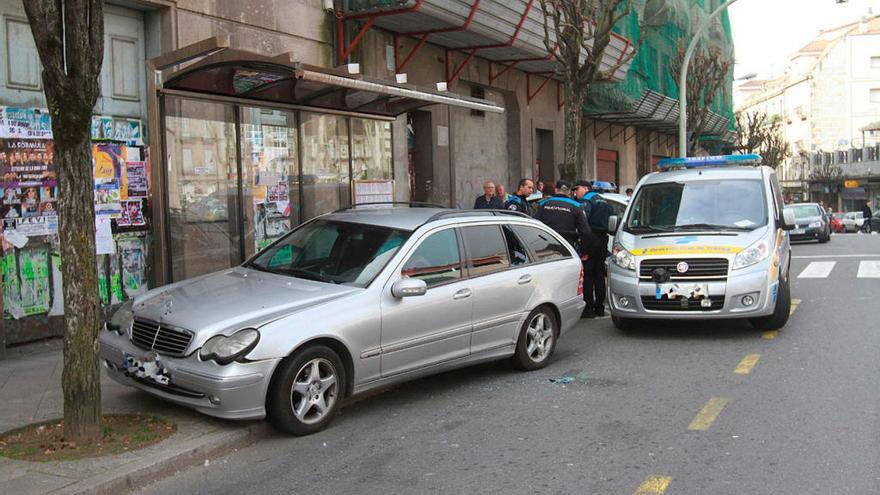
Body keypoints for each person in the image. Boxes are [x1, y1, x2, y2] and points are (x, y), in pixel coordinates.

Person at [578, 180, 614, 318]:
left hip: (590, 238)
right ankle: (599, 307)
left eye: (578, 189)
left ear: (587, 189)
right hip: (603, 239)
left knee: (588, 275)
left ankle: (588, 309)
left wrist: (584, 249)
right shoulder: (605, 201)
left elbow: (584, 223)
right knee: (599, 274)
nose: (577, 192)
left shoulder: (587, 201)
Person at [535, 179, 591, 256]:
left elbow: (535, 224)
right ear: (569, 192)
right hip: (568, 246)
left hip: (545, 245)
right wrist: (585, 252)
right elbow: (585, 232)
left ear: (555, 190)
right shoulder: (577, 206)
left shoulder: (543, 203)